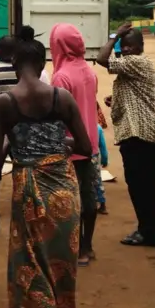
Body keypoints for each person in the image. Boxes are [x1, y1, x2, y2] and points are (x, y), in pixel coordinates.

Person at [0, 29, 92, 308]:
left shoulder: (3, 103)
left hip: (28, 189)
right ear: (43, 60)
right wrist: (56, 149)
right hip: (64, 186)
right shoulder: (61, 98)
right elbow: (85, 148)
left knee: (34, 262)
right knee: (60, 258)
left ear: (14, 61)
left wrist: (14, 148)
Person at [96, 24, 155, 247]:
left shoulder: (136, 61)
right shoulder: (134, 66)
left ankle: (147, 232)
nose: (124, 49)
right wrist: (117, 101)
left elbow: (102, 59)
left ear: (139, 47)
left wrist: (114, 36)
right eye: (123, 46)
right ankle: (148, 230)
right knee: (145, 186)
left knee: (141, 186)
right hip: (141, 133)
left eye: (129, 46)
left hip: (138, 134)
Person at [50, 23, 99, 267]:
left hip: (69, 148)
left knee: (69, 202)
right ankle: (87, 246)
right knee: (88, 198)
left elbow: (58, 117)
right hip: (89, 145)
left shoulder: (61, 76)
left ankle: (75, 248)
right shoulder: (89, 71)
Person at [95, 124, 109, 214]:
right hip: (94, 158)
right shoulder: (98, 127)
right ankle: (102, 204)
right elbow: (103, 146)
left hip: (79, 158)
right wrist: (104, 159)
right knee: (97, 181)